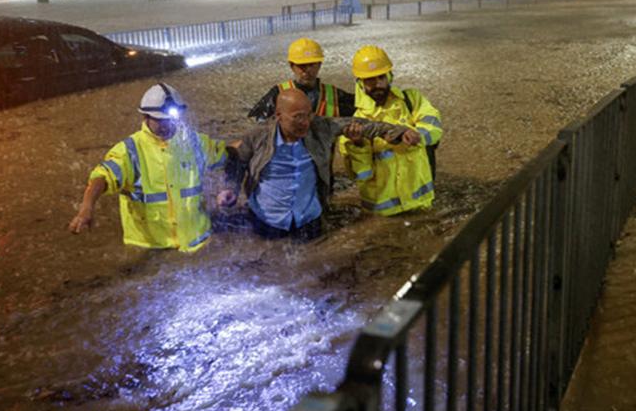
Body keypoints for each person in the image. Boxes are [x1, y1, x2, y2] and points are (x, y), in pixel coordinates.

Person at [220, 89, 418, 240]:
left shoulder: (320, 128)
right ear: (278, 116)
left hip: (310, 222)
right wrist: (230, 189)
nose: (305, 122)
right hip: (266, 222)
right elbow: (237, 162)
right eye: (298, 116)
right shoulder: (257, 137)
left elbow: (365, 125)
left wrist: (398, 132)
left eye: (308, 115)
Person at [69, 83, 228, 252]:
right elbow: (101, 178)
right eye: (160, 120)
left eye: (171, 119)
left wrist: (255, 139)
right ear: (145, 117)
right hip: (151, 249)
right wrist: (86, 209)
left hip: (198, 242)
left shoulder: (196, 142)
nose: (167, 125)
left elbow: (229, 154)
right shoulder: (129, 151)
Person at [339, 46, 442, 215]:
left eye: (381, 77)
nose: (378, 84)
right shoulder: (354, 123)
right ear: (360, 83)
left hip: (421, 204)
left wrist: (417, 135)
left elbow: (434, 127)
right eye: (370, 80)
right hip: (383, 214)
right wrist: (358, 145)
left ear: (390, 76)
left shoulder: (412, 100)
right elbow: (362, 176)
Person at [248, 37, 356, 121]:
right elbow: (259, 121)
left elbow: (361, 107)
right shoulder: (278, 93)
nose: (307, 70)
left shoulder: (334, 95)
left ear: (319, 65)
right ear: (292, 66)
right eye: (302, 66)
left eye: (311, 65)